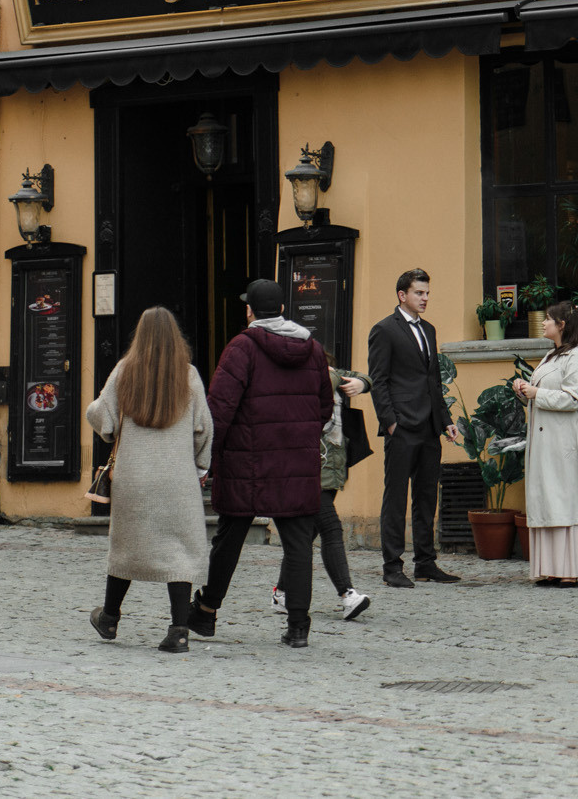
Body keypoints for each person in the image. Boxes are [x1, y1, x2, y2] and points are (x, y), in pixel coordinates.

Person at [189, 279, 333, 648]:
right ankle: (298, 626)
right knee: (298, 544)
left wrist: (204, 459)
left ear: (250, 311)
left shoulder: (241, 348)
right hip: (296, 464)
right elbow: (324, 408)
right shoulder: (313, 349)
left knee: (229, 538)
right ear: (283, 309)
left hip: (247, 463)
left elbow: (218, 409)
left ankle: (206, 612)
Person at [83, 307, 212, 653]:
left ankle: (109, 618)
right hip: (177, 479)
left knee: (126, 546)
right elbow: (204, 428)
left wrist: (104, 424)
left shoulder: (125, 371)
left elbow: (101, 416)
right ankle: (179, 631)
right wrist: (201, 466)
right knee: (180, 553)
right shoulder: (189, 375)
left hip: (134, 477)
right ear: (175, 338)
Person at [366, 269, 459, 588]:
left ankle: (425, 563)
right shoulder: (384, 330)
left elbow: (433, 380)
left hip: (430, 425)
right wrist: (390, 421)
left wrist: (445, 420)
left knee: (426, 496)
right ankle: (392, 566)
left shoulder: (429, 330)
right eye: (420, 293)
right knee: (395, 499)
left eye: (428, 293)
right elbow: (379, 380)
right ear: (402, 295)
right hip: (401, 426)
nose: (426, 298)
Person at [270, 361, 374, 622]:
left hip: (332, 468)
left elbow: (360, 377)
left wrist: (363, 383)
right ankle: (347, 595)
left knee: (304, 537)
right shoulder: (293, 379)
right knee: (331, 528)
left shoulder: (330, 373)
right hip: (307, 468)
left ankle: (281, 592)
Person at [511, 300, 578, 586]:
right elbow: (543, 392)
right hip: (546, 443)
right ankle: (551, 568)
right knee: (549, 500)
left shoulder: (577, 357)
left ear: (562, 325)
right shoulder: (552, 355)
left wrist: (535, 392)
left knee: (565, 500)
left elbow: (573, 399)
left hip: (565, 444)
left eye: (549, 319)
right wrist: (524, 390)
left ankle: (570, 569)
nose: (544, 323)